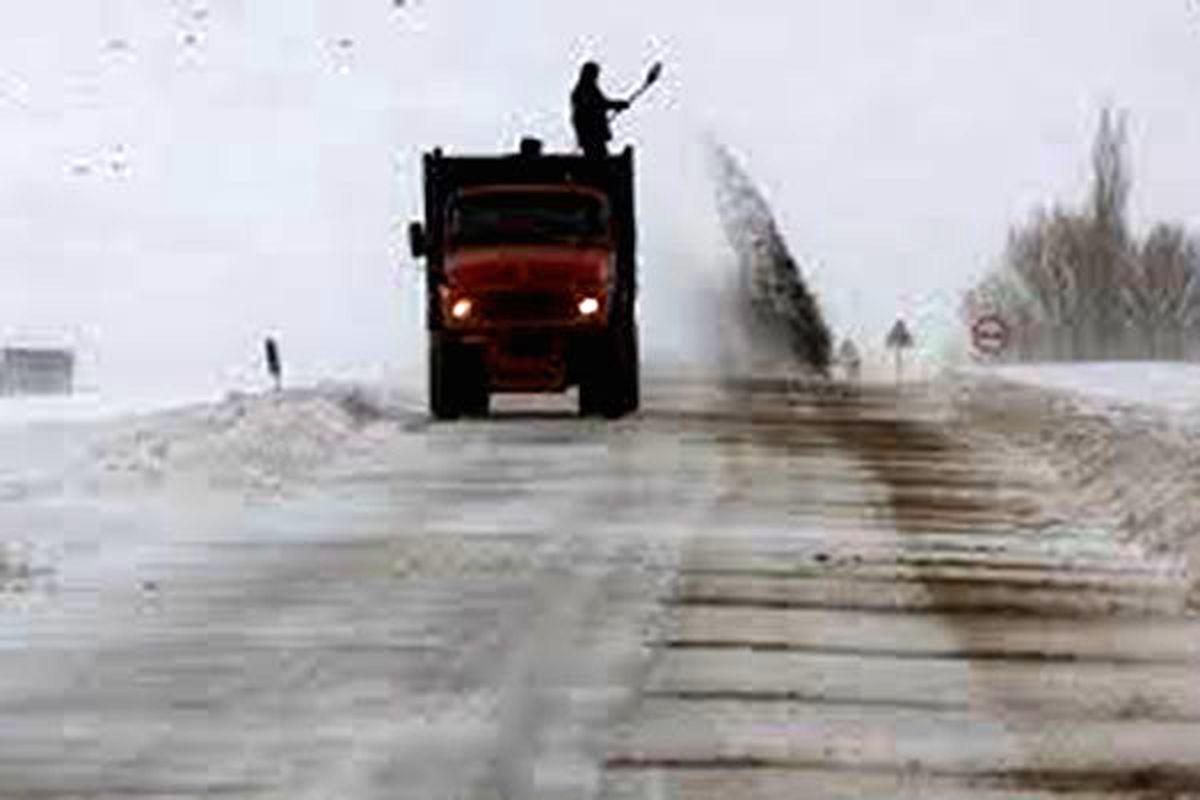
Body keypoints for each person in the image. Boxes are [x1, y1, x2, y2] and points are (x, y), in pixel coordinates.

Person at [570, 62, 629, 159]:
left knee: (600, 154)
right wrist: (615, 105)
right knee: (597, 156)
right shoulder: (583, 89)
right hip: (590, 131)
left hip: (592, 131)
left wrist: (615, 105)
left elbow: (600, 104)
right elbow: (594, 105)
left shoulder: (590, 89)